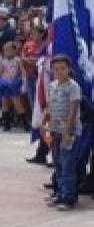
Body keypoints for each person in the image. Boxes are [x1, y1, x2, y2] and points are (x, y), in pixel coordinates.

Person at [45, 54, 85, 210]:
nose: (59, 72)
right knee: (58, 163)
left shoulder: (73, 86)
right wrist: (46, 123)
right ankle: (60, 193)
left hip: (69, 131)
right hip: (55, 130)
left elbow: (73, 111)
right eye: (56, 69)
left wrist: (68, 132)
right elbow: (50, 108)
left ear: (69, 69)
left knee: (68, 164)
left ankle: (69, 198)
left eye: (63, 68)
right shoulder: (52, 86)